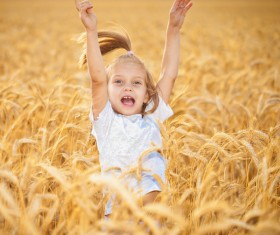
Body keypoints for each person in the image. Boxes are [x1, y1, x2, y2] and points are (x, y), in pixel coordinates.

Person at [75, 0, 193, 217]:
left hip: (151, 220)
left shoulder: (152, 115)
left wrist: (173, 28)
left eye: (136, 83)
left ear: (148, 94)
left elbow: (169, 74)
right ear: (108, 91)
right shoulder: (106, 121)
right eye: (118, 82)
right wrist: (91, 31)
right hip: (117, 220)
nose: (127, 87)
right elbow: (98, 79)